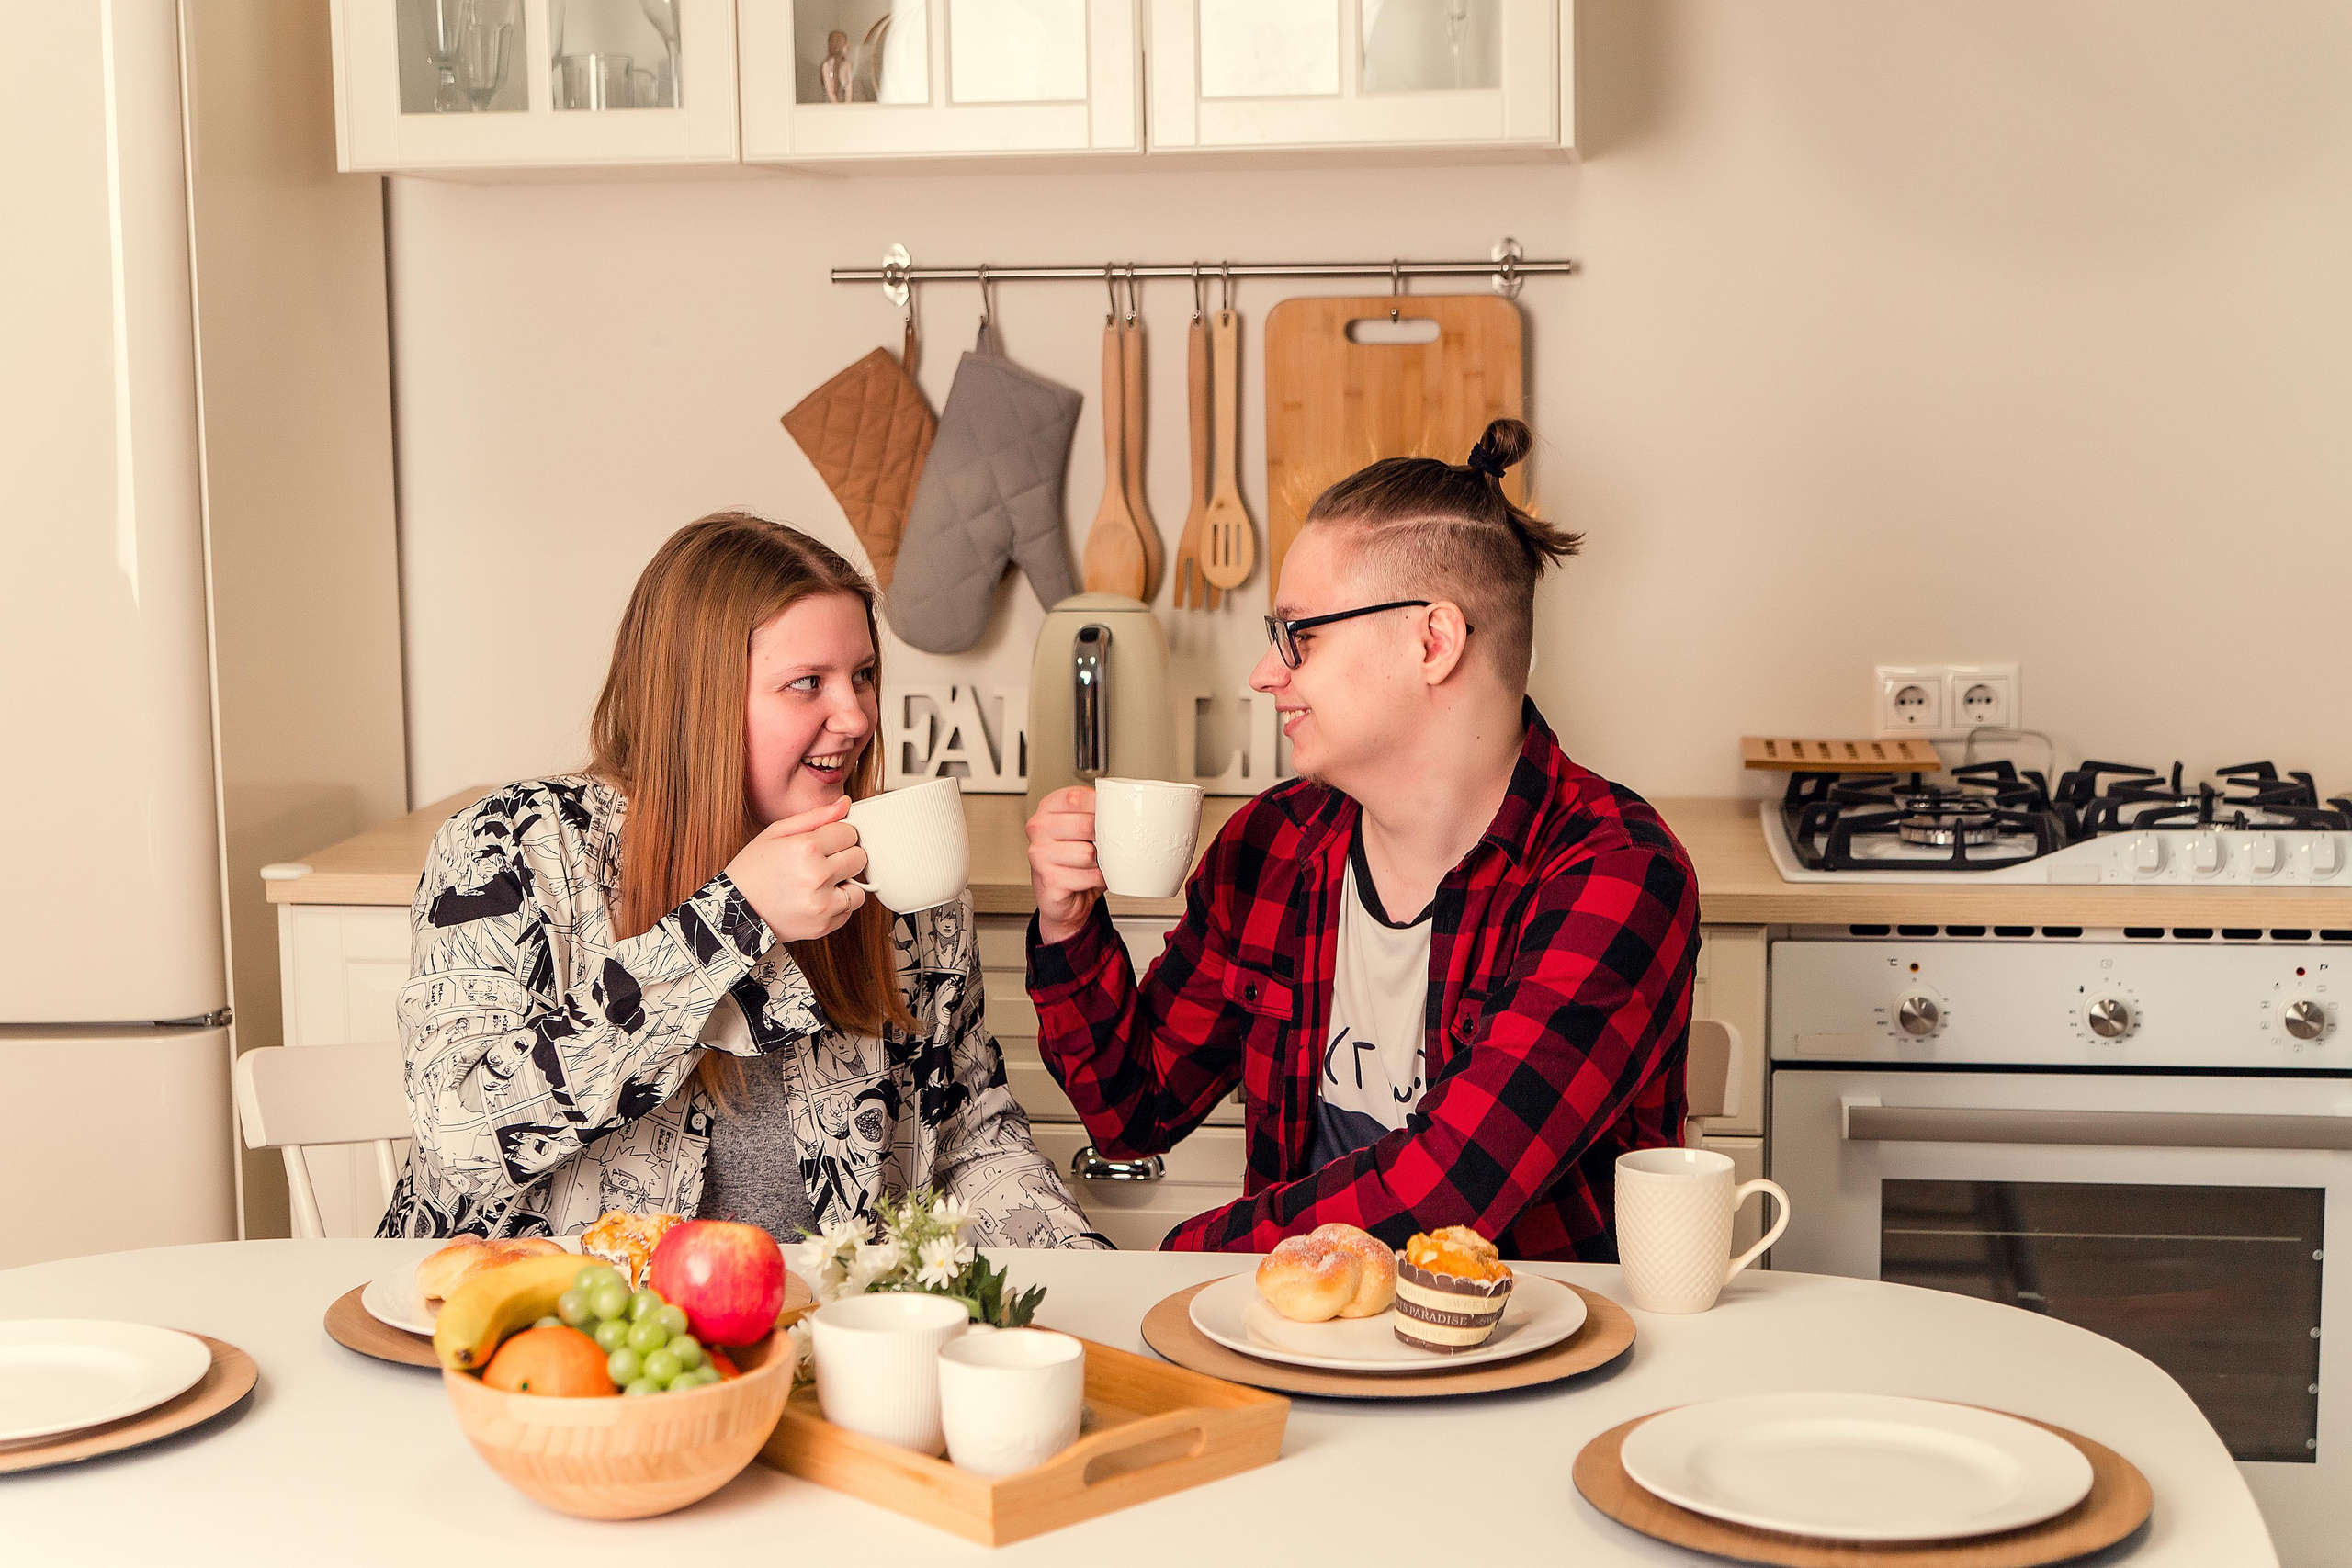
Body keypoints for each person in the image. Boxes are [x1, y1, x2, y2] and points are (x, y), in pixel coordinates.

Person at [1024, 420, 1699, 1258]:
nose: (1266, 672)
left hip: (1524, 1357)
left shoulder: (1617, 874)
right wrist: (1068, 924)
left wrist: (1189, 1258)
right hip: (1301, 1339)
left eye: (1299, 636)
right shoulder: (1271, 845)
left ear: (1433, 641)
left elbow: (1449, 1188)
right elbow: (1132, 1116)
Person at [380, 512, 1102, 1250]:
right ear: (697, 705)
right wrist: (731, 920)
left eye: (862, 676)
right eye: (806, 684)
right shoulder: (511, 849)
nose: (855, 716)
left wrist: (1091, 1271)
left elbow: (970, 1139)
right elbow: (462, 1140)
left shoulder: (901, 869)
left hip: (812, 1336)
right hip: (528, 1337)